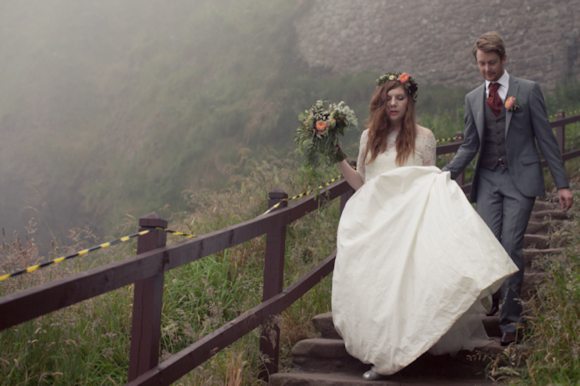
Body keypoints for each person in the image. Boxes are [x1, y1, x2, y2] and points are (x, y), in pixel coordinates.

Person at [332, 72, 518, 380]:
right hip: (377, 224)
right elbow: (362, 184)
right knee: (379, 291)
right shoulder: (369, 138)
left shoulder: (424, 137)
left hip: (410, 225)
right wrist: (337, 156)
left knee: (406, 289)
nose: (393, 104)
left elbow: (432, 185)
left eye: (400, 98)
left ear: (409, 102)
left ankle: (407, 349)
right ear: (380, 102)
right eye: (388, 98)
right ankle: (383, 354)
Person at [442, 31, 573, 346]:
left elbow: (545, 139)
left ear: (503, 59)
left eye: (492, 63)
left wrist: (563, 184)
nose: (487, 69)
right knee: (490, 248)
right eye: (481, 64)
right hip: (487, 180)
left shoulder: (528, 91)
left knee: (511, 246)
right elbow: (469, 144)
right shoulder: (473, 98)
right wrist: (445, 174)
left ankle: (510, 322)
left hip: (520, 181)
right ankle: (497, 299)